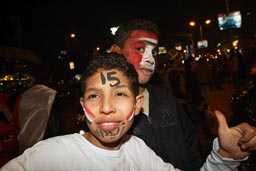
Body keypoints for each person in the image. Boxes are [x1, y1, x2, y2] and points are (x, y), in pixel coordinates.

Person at [2, 53, 256, 171]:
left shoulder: (139, 151)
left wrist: (225, 155)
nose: (106, 107)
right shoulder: (48, 157)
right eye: (94, 96)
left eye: (120, 94)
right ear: (83, 106)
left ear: (136, 106)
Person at [109, 18, 203, 170]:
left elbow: (191, 142)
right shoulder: (105, 113)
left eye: (154, 52)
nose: (150, 59)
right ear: (116, 52)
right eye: (140, 49)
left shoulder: (165, 98)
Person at [14, 63, 65, 154]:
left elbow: (16, 121)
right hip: (44, 148)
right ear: (49, 78)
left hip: (24, 148)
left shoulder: (23, 96)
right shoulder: (51, 95)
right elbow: (56, 126)